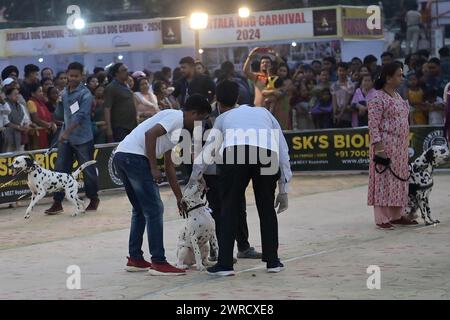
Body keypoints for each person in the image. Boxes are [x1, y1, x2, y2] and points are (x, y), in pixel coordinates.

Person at [190, 81, 292, 276]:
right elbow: (282, 149)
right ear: (238, 98)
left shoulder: (222, 119)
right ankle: (273, 261)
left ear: (217, 101)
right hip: (266, 154)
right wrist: (284, 188)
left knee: (229, 207)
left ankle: (225, 264)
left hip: (235, 154)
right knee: (266, 208)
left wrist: (195, 178)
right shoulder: (264, 113)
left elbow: (206, 153)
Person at [113, 94, 212, 275]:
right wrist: (152, 167)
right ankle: (158, 262)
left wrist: (179, 197)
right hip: (134, 158)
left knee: (140, 209)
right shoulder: (175, 117)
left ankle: (135, 258)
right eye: (201, 119)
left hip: (122, 156)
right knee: (155, 209)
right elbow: (150, 134)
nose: (201, 124)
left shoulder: (178, 129)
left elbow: (169, 166)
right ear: (193, 113)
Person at [201, 80, 263, 263]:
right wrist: (199, 174)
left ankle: (243, 247)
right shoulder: (207, 116)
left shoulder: (241, 113)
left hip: (235, 167)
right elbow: (198, 146)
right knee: (215, 211)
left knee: (239, 207)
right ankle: (217, 250)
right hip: (212, 170)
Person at [45, 62, 100, 215]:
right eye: (71, 75)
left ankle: (93, 198)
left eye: (76, 76)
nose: (73, 78)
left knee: (88, 171)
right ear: (67, 75)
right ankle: (57, 202)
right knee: (60, 170)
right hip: (66, 139)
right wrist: (58, 104)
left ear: (82, 76)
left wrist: (67, 132)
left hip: (83, 139)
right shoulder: (63, 93)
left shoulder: (86, 94)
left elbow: (81, 116)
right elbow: (58, 115)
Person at [368, 62, 417, 230]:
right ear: (388, 78)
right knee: (383, 181)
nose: (401, 78)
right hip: (385, 147)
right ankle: (382, 218)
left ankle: (397, 215)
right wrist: (379, 149)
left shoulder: (397, 96)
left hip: (400, 148)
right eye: (399, 75)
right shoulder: (377, 98)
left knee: (399, 181)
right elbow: (373, 126)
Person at [104, 63, 137, 142]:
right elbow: (107, 109)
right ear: (116, 73)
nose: (127, 72)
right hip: (120, 127)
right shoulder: (111, 87)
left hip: (132, 125)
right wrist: (109, 130)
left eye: (127, 70)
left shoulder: (126, 86)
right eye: (124, 70)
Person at [1, 87, 32, 152]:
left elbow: (26, 119)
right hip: (7, 136)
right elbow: (5, 122)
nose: (17, 95)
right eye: (15, 94)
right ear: (8, 95)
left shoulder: (21, 106)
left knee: (19, 157)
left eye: (18, 94)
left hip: (20, 135)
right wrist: (18, 127)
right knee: (7, 156)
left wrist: (26, 126)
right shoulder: (3, 106)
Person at [26, 83, 56, 150]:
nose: (42, 93)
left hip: (46, 132)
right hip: (37, 134)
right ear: (33, 93)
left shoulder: (42, 103)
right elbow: (35, 119)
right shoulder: (30, 103)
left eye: (42, 91)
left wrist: (51, 124)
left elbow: (49, 116)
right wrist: (48, 125)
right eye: (39, 91)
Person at [331, 62, 355, 128]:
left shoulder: (350, 85)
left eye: (343, 71)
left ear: (347, 72)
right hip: (337, 114)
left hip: (347, 113)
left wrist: (340, 114)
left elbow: (347, 101)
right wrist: (335, 114)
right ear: (337, 72)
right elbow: (334, 101)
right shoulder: (334, 85)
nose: (341, 73)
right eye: (340, 70)